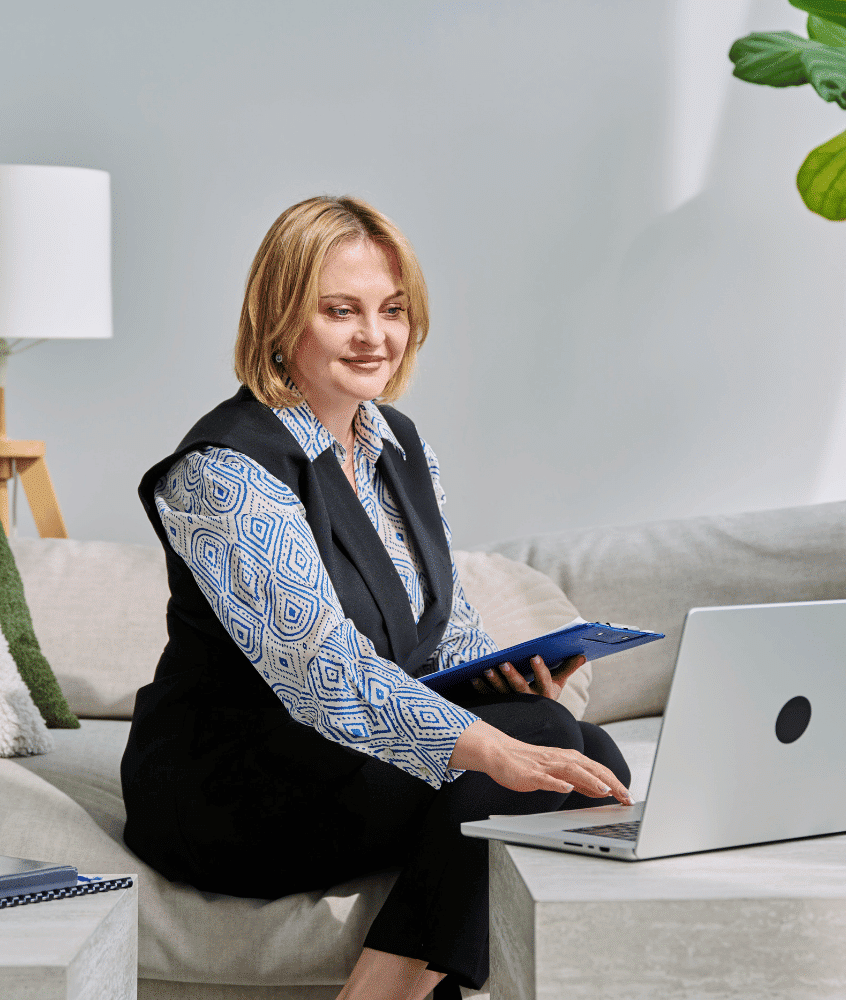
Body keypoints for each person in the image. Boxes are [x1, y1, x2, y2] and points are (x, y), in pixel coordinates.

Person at [121, 195, 631, 1000]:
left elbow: (446, 632)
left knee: (579, 752)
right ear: (279, 318)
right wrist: (495, 743)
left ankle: (399, 988)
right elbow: (324, 675)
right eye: (340, 311)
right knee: (539, 750)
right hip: (231, 787)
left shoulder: (398, 444)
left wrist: (500, 683)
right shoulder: (223, 470)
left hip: (345, 764)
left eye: (392, 310)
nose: (375, 336)